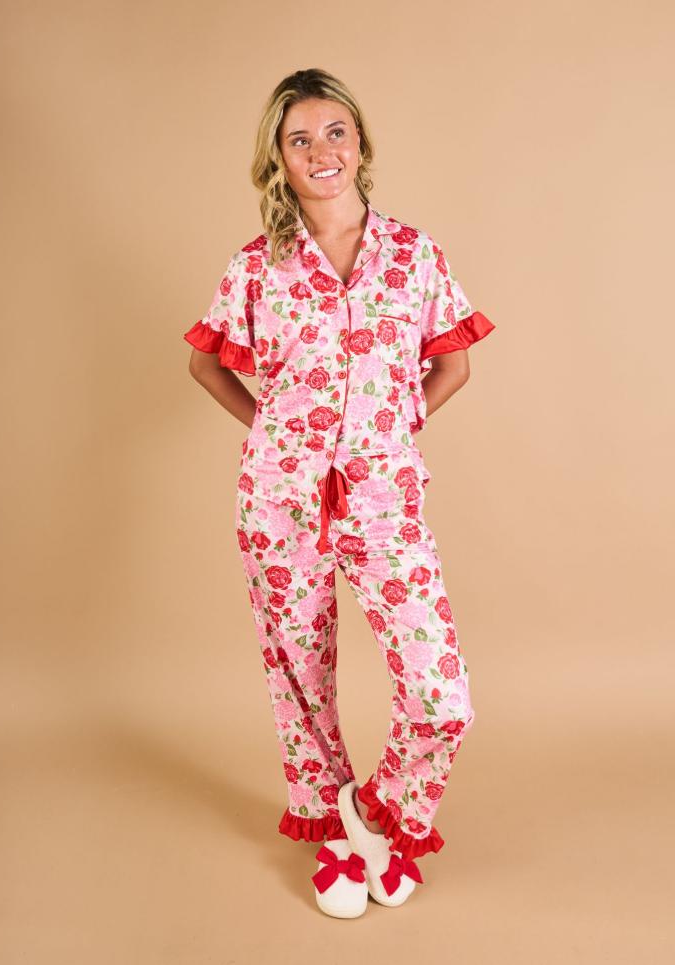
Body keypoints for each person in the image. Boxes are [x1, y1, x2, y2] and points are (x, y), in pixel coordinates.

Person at [183, 67, 495, 915]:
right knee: (300, 681)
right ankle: (337, 843)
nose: (321, 151)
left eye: (335, 133)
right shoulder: (257, 269)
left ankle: (375, 813)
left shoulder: (414, 256)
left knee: (442, 697)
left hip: (385, 498)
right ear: (278, 160)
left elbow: (454, 364)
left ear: (360, 144)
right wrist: (277, 433)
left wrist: (389, 428)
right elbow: (205, 364)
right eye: (300, 140)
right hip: (278, 499)